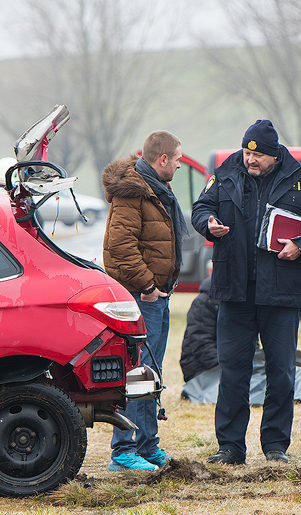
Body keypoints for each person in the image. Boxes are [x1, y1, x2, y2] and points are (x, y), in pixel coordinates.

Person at [191, 119, 301, 465]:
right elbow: (201, 208)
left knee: (281, 372)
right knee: (232, 372)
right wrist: (208, 224)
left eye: (256, 155)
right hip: (234, 292)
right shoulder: (226, 171)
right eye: (246, 152)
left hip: (281, 294)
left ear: (274, 155)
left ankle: (275, 447)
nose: (249, 159)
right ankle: (230, 447)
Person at [101, 130, 186, 472]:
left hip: (156, 297)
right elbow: (119, 249)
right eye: (178, 159)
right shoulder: (132, 195)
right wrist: (148, 286)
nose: (180, 166)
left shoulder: (155, 190)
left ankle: (148, 447)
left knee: (151, 373)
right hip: (142, 297)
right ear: (162, 160)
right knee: (136, 375)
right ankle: (123, 452)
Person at [179, 276, 220, 384]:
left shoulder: (241, 302)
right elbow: (201, 342)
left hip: (223, 364)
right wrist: (226, 368)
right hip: (201, 368)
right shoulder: (203, 302)